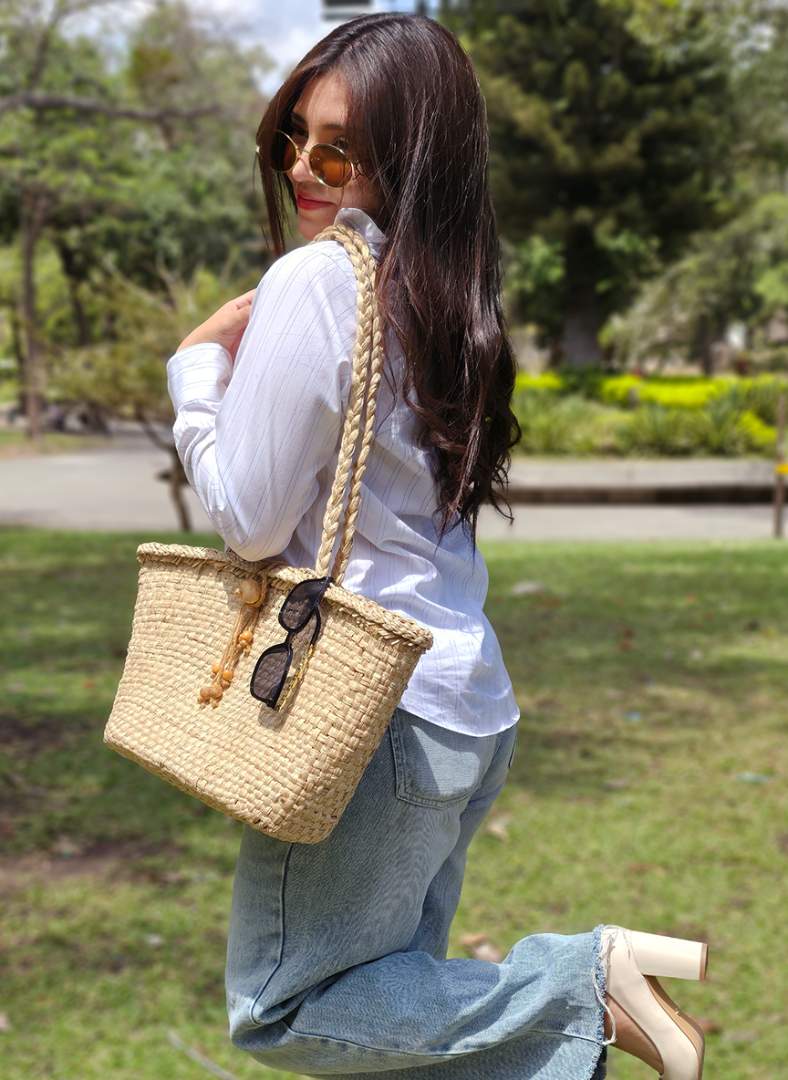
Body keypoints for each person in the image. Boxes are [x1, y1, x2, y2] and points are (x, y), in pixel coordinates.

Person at [166, 12, 710, 1079]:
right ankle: (586, 1000)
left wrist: (195, 379)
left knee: (285, 1009)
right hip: (463, 710)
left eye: (340, 152)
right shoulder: (447, 292)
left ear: (410, 163)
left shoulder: (320, 282)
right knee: (395, 1036)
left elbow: (250, 520)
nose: (304, 168)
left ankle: (584, 981)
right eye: (293, 137)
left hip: (363, 715)